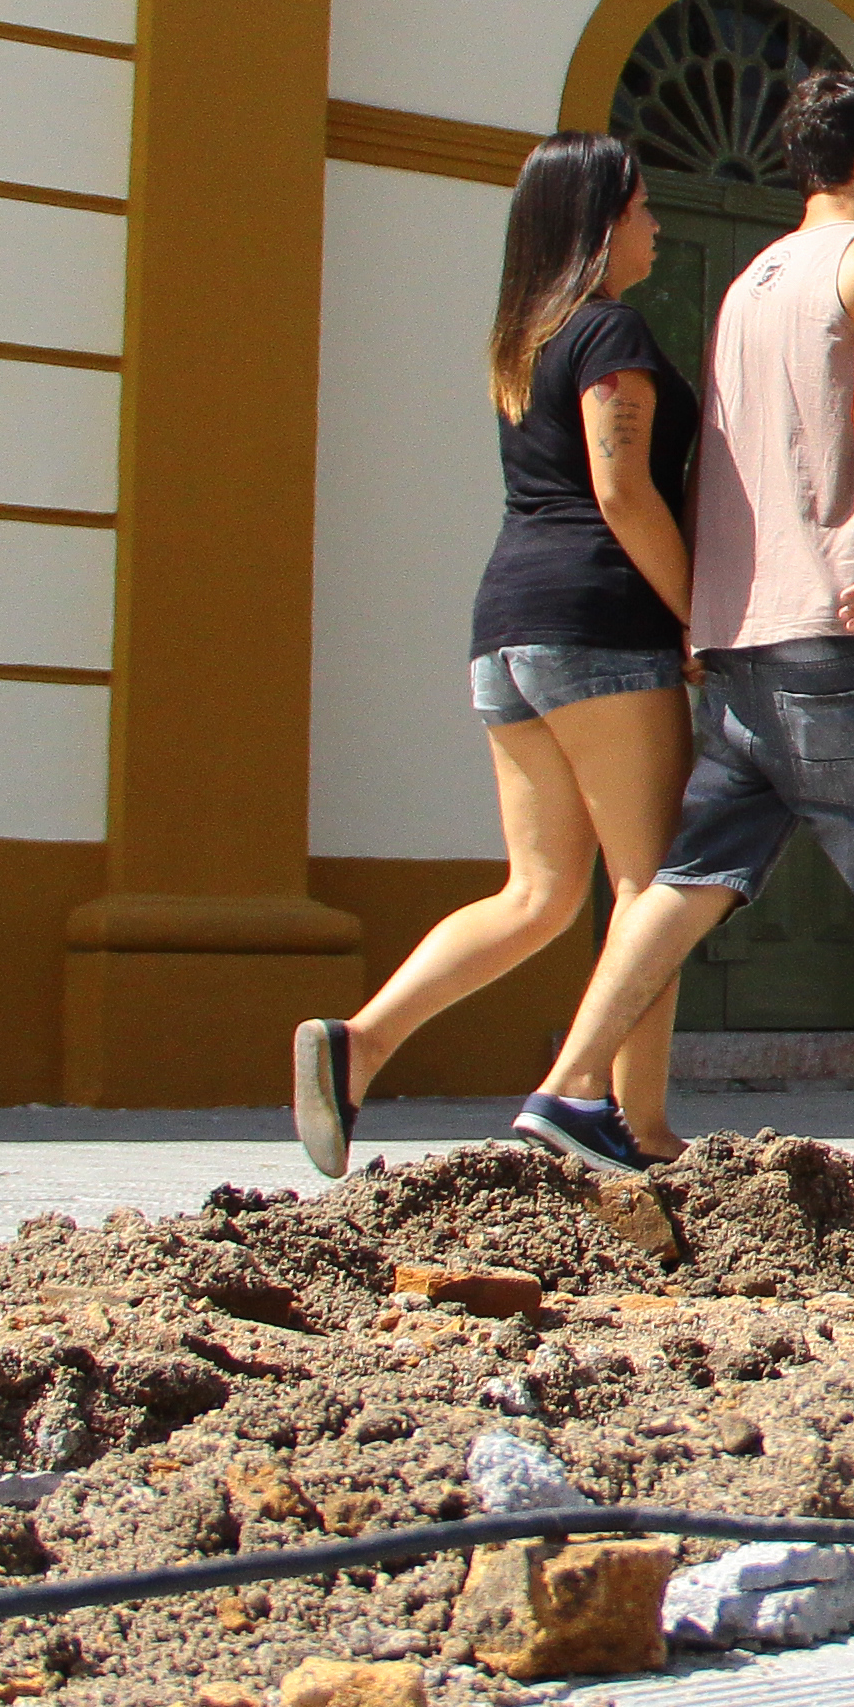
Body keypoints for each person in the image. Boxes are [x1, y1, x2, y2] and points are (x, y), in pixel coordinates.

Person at [510, 66, 854, 1174]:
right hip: (845, 633)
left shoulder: (746, 283)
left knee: (695, 871)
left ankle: (569, 1092)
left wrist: (706, 614)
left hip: (738, 644)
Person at [290, 134, 700, 1178]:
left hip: (505, 629)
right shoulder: (607, 331)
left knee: (540, 893)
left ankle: (360, 1044)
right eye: (644, 207)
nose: (658, 226)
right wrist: (694, 616)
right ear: (602, 219)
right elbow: (621, 492)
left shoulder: (525, 337)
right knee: (652, 887)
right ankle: (635, 1128)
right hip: (600, 627)